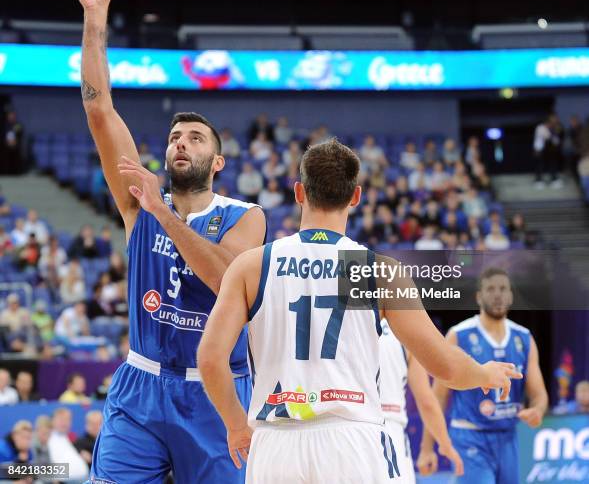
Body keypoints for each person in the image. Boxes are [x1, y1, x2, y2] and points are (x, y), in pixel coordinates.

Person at [197, 139, 521, 483]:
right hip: (349, 441)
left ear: (298, 192)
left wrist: (235, 424)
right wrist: (483, 374)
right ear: (355, 197)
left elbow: (210, 358)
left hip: (275, 440)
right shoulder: (372, 270)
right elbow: (444, 365)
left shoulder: (253, 265)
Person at [70, 0, 266, 483]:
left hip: (216, 392)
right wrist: (94, 17)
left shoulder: (245, 217)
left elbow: (228, 278)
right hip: (141, 388)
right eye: (176, 137)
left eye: (195, 138)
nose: (182, 143)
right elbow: (98, 108)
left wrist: (163, 213)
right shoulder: (138, 199)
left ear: (217, 163)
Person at [420, 267, 549, 484]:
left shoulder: (524, 338)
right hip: (470, 436)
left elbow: (539, 395)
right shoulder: (459, 335)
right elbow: (438, 396)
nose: (497, 294)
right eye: (490, 289)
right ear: (479, 297)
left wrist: (537, 410)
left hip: (508, 437)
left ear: (510, 296)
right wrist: (427, 448)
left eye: (502, 289)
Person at [379, 319, 464, 482]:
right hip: (392, 433)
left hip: (348, 428)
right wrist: (444, 445)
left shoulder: (351, 325)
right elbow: (426, 401)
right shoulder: (405, 334)